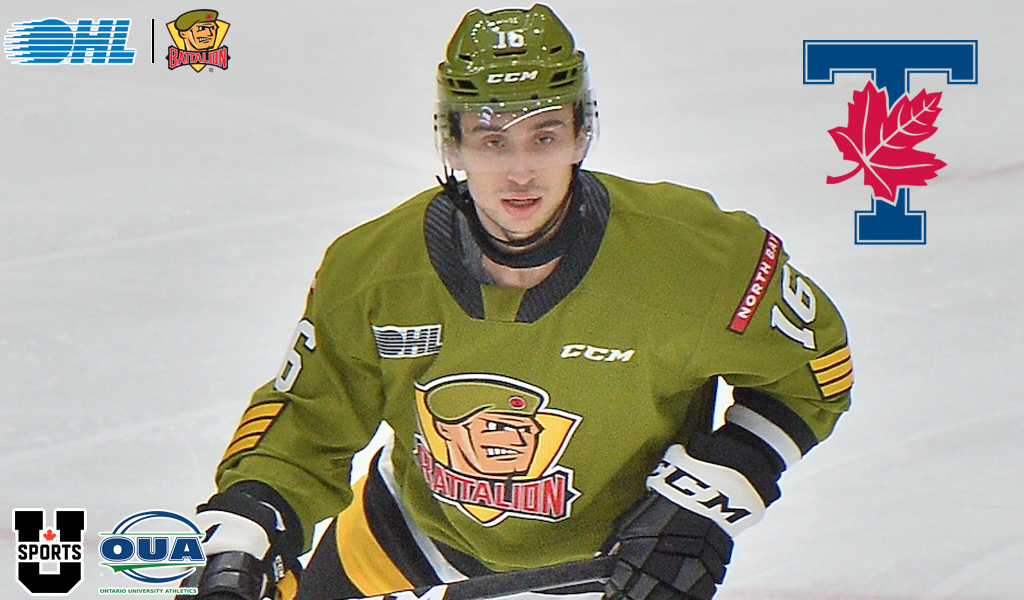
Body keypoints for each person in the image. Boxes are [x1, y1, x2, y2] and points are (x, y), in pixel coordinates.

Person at [181, 5, 854, 600]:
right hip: (409, 536)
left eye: (545, 136)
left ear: (583, 134)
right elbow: (308, 417)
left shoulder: (696, 258)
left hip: (612, 567)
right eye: (492, 139)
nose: (521, 171)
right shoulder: (372, 271)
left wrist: (710, 494)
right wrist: (247, 530)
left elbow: (813, 375)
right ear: (452, 142)